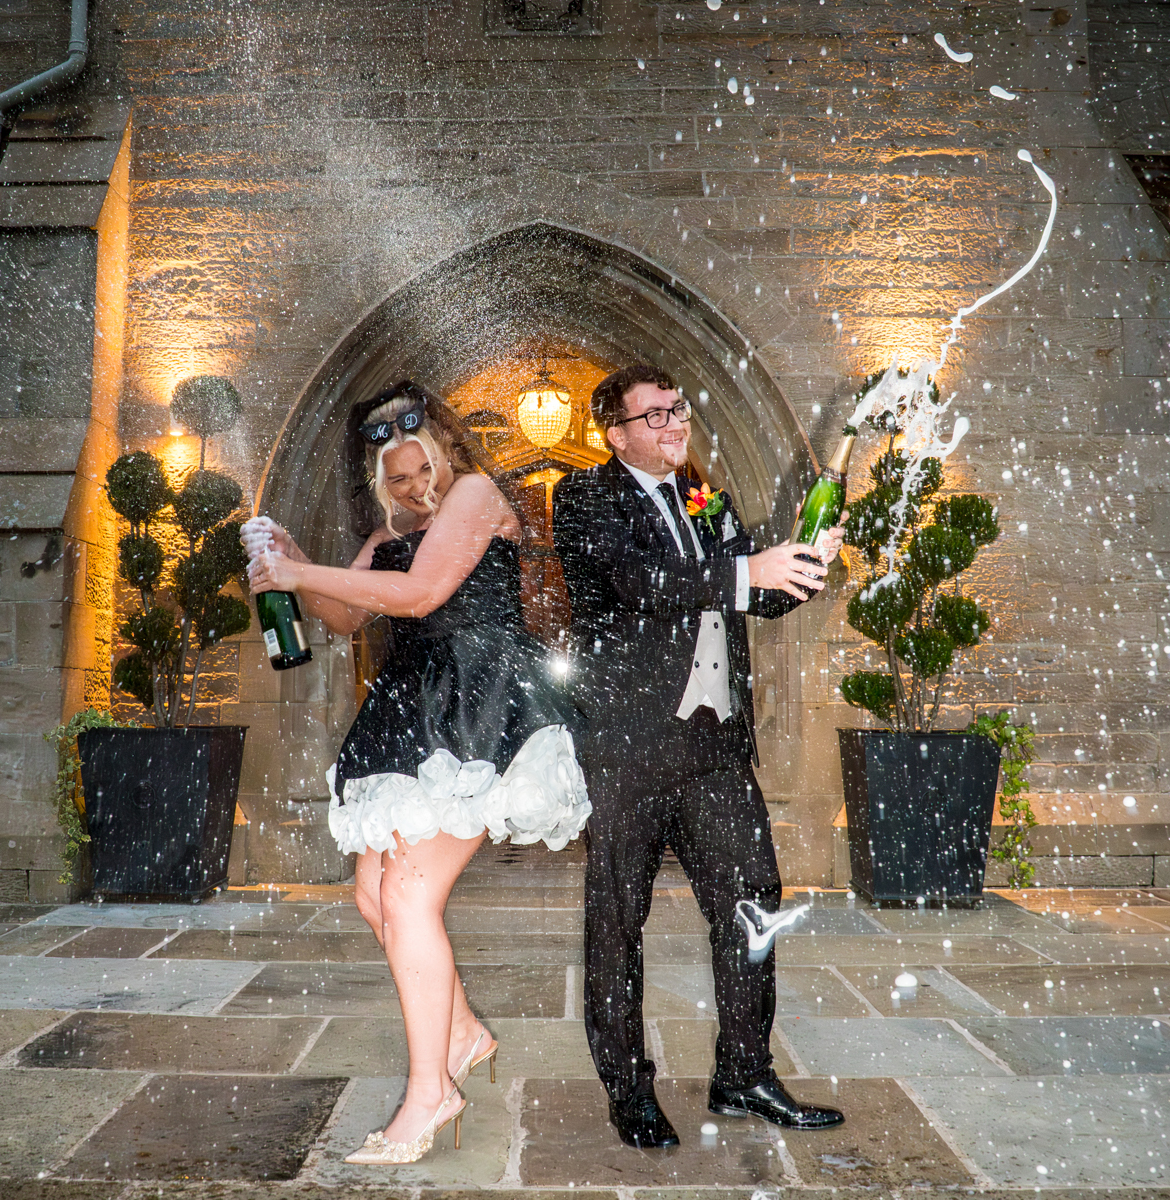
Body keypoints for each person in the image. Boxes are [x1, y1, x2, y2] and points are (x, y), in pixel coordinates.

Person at [243, 382, 589, 1166]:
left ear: (446, 451)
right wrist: (297, 565)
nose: (411, 487)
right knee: (373, 896)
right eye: (395, 477)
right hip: (412, 711)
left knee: (407, 896)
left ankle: (431, 1092)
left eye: (420, 468)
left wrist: (301, 574)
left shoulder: (477, 495)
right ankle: (460, 1034)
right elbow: (348, 616)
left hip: (477, 705)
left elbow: (422, 593)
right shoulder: (390, 532)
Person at [553, 364, 847, 1148]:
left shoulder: (704, 496)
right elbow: (639, 582)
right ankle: (629, 1091)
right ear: (615, 434)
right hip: (628, 747)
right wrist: (749, 569)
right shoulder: (585, 496)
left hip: (714, 745)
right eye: (654, 415)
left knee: (754, 902)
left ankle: (744, 1074)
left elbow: (762, 595)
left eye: (679, 409)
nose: (676, 423)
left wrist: (805, 563)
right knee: (619, 920)